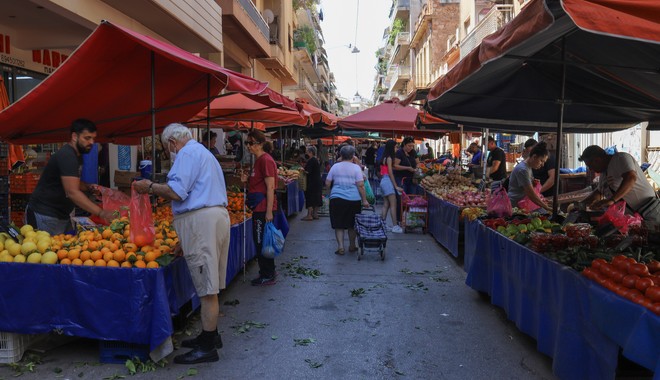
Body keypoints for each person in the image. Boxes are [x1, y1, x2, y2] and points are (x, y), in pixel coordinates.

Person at [133, 123, 230, 364]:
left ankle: (208, 347)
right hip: (214, 218)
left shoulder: (186, 153)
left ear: (173, 143)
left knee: (207, 287)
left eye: (168, 148)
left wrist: (150, 187)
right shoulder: (203, 153)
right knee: (210, 281)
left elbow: (177, 192)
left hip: (202, 221)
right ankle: (211, 335)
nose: (169, 152)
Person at [26, 119, 116, 234]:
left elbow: (72, 181)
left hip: (61, 214)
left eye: (93, 138)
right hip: (45, 214)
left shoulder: (77, 156)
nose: (92, 142)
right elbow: (72, 192)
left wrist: (88, 187)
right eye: (87, 138)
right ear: (74, 136)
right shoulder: (67, 155)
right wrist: (101, 212)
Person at [575, 145, 660, 222]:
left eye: (590, 165)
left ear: (597, 160)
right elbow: (599, 192)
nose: (590, 169)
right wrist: (580, 204)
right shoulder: (604, 174)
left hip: (649, 210)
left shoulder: (620, 158)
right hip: (634, 217)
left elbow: (631, 177)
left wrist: (612, 200)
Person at [241, 129, 279, 285]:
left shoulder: (265, 160)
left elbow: (270, 187)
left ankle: (268, 274)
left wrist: (269, 211)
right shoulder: (258, 161)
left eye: (251, 143)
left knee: (261, 242)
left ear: (261, 143)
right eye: (247, 143)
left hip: (263, 208)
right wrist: (245, 181)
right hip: (259, 207)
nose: (249, 146)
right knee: (261, 241)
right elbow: (257, 185)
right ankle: (267, 271)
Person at [325, 145, 370, 255]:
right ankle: (352, 245)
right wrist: (364, 200)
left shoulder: (335, 167)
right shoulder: (356, 168)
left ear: (341, 155)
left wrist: (329, 194)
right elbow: (360, 185)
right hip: (353, 199)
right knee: (352, 225)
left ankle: (340, 247)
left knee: (338, 224)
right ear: (353, 156)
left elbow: (327, 183)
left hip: (337, 199)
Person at [507, 142, 552, 212]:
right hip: (516, 208)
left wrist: (533, 183)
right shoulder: (523, 170)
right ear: (534, 157)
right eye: (541, 161)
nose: (542, 165)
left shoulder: (527, 167)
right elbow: (531, 194)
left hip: (523, 205)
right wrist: (546, 207)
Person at [379, 140, 404, 233]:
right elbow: (390, 172)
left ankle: (382, 224)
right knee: (393, 204)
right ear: (391, 147)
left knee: (386, 204)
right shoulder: (389, 158)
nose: (397, 149)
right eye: (396, 147)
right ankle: (395, 225)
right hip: (387, 181)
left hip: (383, 181)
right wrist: (396, 186)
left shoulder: (384, 157)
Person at [301, 146, 322, 221]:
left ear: (311, 152)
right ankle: (315, 214)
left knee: (310, 197)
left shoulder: (311, 160)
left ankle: (309, 215)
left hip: (312, 182)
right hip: (317, 182)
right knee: (317, 198)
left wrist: (302, 170)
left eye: (307, 151)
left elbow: (308, 172)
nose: (306, 153)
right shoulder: (315, 160)